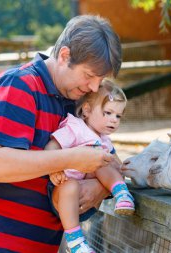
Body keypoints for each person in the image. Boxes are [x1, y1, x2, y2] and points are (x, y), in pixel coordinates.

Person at [0, 15, 122, 253]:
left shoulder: (73, 103)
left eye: (101, 80)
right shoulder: (19, 86)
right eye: (89, 76)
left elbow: (111, 161)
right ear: (65, 56)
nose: (95, 88)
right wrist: (72, 158)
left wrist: (102, 187)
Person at [47, 79, 134, 253]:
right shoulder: (75, 127)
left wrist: (121, 169)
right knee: (71, 184)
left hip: (88, 193)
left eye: (118, 116)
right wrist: (54, 169)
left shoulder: (104, 141)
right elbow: (51, 147)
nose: (114, 120)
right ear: (86, 110)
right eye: (108, 112)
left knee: (103, 161)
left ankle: (122, 193)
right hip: (65, 191)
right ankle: (75, 242)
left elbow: (116, 165)